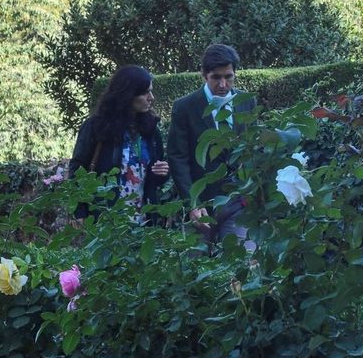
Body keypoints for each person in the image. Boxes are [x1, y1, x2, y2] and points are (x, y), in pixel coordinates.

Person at [168, 43, 256, 231]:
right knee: (195, 260)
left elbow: (253, 148)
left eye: (228, 77)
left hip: (238, 203)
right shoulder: (185, 107)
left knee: (242, 259)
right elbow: (178, 158)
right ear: (204, 75)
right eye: (216, 77)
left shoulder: (247, 101)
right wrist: (192, 202)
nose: (223, 84)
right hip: (202, 205)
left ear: (235, 74)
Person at [69, 64, 169, 218]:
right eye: (145, 93)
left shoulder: (151, 130)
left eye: (151, 91)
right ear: (128, 95)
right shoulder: (97, 127)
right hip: (105, 220)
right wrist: (79, 212)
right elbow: (78, 169)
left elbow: (154, 179)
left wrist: (160, 173)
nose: (151, 98)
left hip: (143, 221)